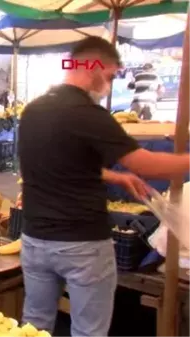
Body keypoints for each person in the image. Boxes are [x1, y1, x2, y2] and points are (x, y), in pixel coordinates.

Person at [18, 36, 190, 337]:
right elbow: (148, 165)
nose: (109, 84)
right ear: (92, 66)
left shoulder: (34, 110)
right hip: (82, 244)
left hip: (35, 241)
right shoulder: (89, 115)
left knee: (34, 327)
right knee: (89, 332)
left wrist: (116, 176)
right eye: (110, 75)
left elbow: (62, 161)